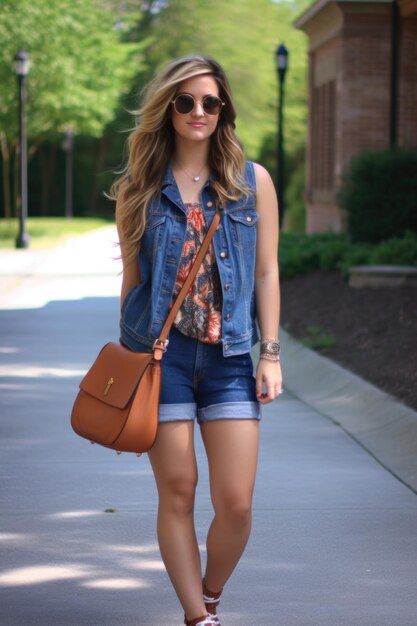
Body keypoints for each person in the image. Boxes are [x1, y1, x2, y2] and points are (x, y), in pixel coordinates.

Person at [111, 54, 282, 626]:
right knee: (179, 490)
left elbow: (266, 272)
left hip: (231, 355)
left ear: (224, 107)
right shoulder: (138, 188)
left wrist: (271, 354)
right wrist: (130, 367)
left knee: (236, 503)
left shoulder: (251, 183)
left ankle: (209, 591)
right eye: (186, 101)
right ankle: (197, 617)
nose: (199, 111)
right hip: (164, 362)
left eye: (211, 101)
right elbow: (132, 282)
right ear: (168, 108)